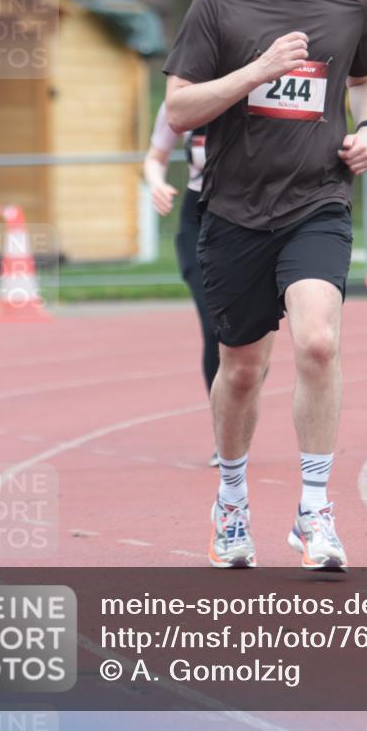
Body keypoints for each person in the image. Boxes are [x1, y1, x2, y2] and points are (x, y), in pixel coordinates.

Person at [164, 0, 367, 570]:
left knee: (318, 343)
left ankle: (314, 510)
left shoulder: (346, 3)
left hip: (317, 201)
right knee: (241, 369)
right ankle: (231, 503)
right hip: (233, 210)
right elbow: (179, 107)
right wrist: (257, 70)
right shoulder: (217, 4)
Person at [143, 105, 220, 466]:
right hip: (198, 219)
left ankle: (242, 391)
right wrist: (157, 184)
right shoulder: (184, 100)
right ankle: (225, 434)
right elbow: (154, 157)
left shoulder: (256, 87)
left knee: (249, 344)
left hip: (251, 219)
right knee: (215, 328)